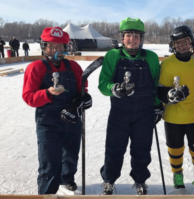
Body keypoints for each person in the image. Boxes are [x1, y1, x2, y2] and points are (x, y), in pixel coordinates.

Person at [22, 26, 92, 194]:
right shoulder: (36, 67)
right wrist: (47, 93)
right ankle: (47, 192)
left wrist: (84, 99)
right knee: (50, 161)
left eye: (60, 46)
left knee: (71, 154)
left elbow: (82, 90)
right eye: (51, 46)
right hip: (48, 120)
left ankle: (67, 179)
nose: (56, 50)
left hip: (71, 118)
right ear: (44, 47)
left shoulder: (73, 66)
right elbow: (28, 96)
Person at [98, 17, 161, 195]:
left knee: (142, 149)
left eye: (136, 35)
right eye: (128, 35)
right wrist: (115, 89)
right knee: (114, 148)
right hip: (120, 111)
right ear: (122, 37)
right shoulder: (113, 55)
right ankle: (109, 180)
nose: (132, 39)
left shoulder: (151, 57)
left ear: (141, 38)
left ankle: (140, 180)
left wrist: (157, 106)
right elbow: (103, 84)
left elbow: (156, 84)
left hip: (144, 112)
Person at [157, 25, 194, 194]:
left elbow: (193, 86)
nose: (183, 46)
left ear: (192, 42)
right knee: (175, 150)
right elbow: (160, 89)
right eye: (178, 43)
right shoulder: (167, 64)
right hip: (173, 118)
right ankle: (177, 176)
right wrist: (170, 95)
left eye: (186, 42)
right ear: (173, 45)